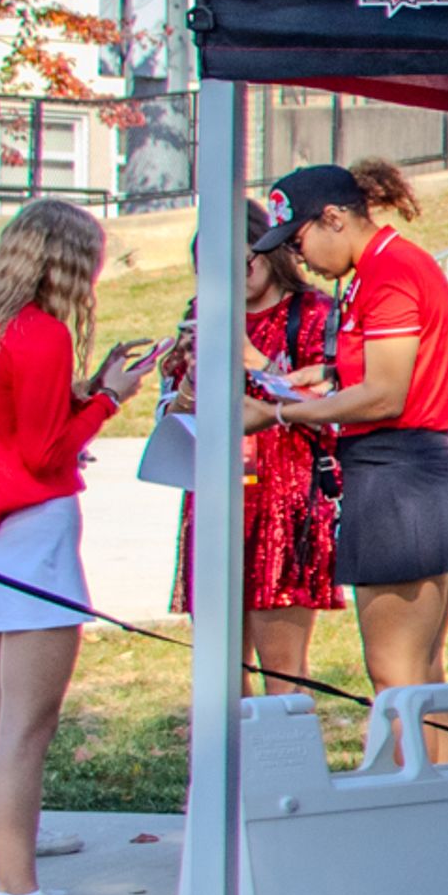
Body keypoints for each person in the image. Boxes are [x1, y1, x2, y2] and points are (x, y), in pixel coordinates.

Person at [0, 201, 155, 895]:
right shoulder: (40, 333)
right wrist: (106, 398)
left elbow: (17, 431)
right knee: (26, 731)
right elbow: (42, 452)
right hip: (34, 530)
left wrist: (85, 391)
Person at [243, 159, 448, 698]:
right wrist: (334, 373)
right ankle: (438, 783)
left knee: (396, 675)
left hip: (401, 478)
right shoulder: (379, 271)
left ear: (334, 218)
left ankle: (419, 783)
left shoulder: (390, 273)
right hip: (407, 475)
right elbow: (397, 366)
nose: (299, 258)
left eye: (299, 240)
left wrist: (278, 413)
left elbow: (385, 395)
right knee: (419, 676)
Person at [162, 241, 341, 695]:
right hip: (218, 497)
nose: (231, 278)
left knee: (282, 672)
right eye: (214, 270)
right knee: (219, 673)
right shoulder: (204, 317)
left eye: (242, 262)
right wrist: (189, 375)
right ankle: (231, 766)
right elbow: (172, 420)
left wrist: (255, 362)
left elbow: (333, 409)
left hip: (287, 500)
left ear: (271, 250)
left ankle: (284, 764)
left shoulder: (315, 313)